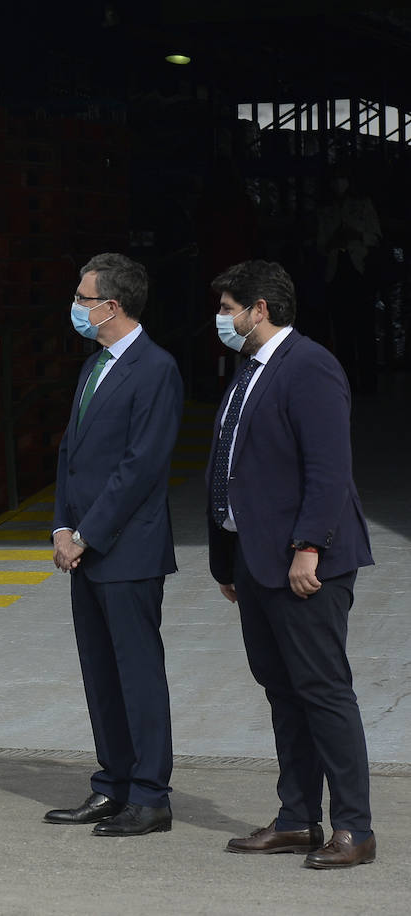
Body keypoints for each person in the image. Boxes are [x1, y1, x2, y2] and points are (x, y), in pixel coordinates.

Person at [206, 260, 376, 869]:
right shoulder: (248, 371)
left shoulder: (309, 366)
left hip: (305, 564)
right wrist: (226, 558)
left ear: (261, 309)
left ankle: (354, 828)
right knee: (283, 692)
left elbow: (329, 467)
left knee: (323, 692)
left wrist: (311, 545)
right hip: (256, 561)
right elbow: (232, 465)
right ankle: (298, 818)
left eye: (228, 308)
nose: (220, 319)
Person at [44, 253, 183, 837]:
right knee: (100, 673)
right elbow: (71, 456)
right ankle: (113, 784)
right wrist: (59, 527)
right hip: (83, 547)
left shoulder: (156, 369)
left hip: (125, 549)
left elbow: (140, 467)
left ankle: (150, 795)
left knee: (136, 673)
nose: (76, 306)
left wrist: (87, 534)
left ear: (112, 305)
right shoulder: (95, 365)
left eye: (83, 297)